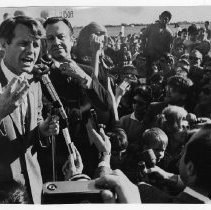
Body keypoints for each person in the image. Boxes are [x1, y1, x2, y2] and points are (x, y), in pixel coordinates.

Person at [43, 17, 113, 178]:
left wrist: (83, 77)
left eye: (61, 37)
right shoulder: (42, 75)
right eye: (50, 38)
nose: (56, 42)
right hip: (56, 153)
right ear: (45, 43)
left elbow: (106, 104)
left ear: (72, 40)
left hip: (89, 150)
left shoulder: (86, 71)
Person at [0, 16, 59, 204]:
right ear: (3, 44)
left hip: (33, 190)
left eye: (36, 44)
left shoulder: (34, 81)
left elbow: (34, 126)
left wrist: (43, 129)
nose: (31, 51)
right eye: (24, 43)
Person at [95, 123, 211, 204]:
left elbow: (102, 189)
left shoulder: (145, 194)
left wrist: (105, 155)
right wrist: (170, 177)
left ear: (190, 168)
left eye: (184, 151)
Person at [142, 11, 173, 80]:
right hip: (149, 55)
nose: (164, 20)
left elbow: (169, 47)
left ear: (169, 21)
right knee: (148, 74)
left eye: (167, 19)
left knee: (158, 77)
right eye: (163, 18)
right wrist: (143, 49)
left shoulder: (169, 33)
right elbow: (143, 36)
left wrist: (167, 56)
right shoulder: (151, 26)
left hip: (160, 57)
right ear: (160, 17)